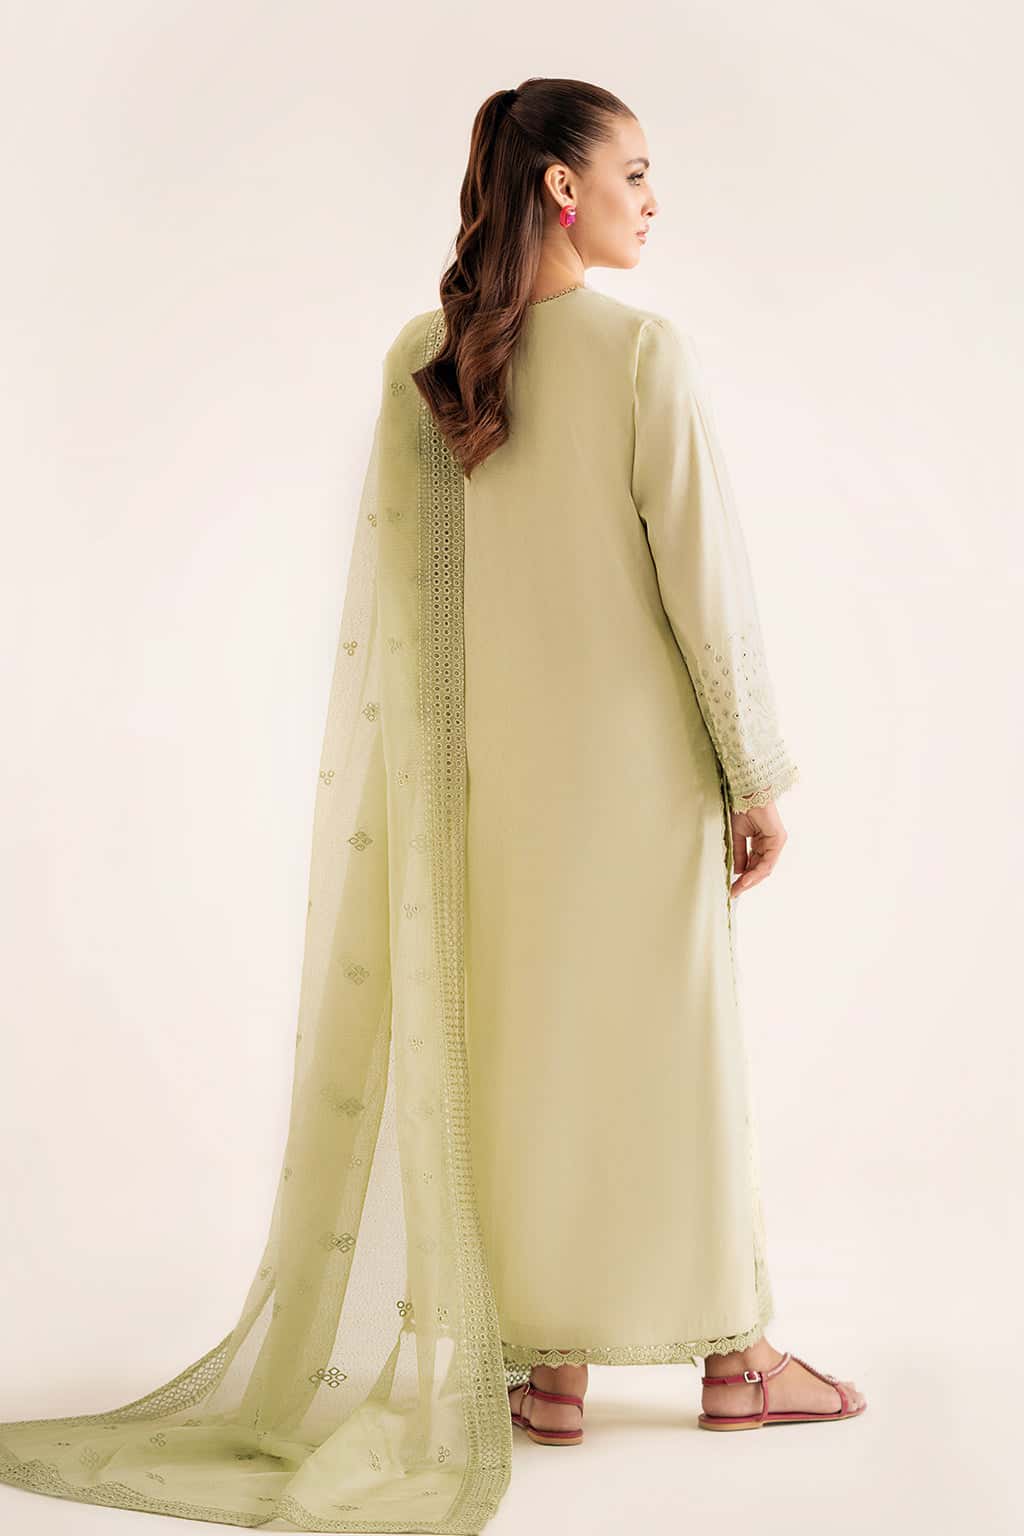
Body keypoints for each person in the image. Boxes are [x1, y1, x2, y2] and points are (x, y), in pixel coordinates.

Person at [0, 77, 864, 1535]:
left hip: (490, 782)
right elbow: (703, 584)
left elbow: (412, 606)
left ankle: (552, 1372)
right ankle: (736, 1360)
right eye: (636, 173)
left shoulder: (433, 359)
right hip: (638, 770)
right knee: (668, 1057)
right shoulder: (642, 352)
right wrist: (757, 773)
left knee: (527, 1056)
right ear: (564, 189)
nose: (655, 200)